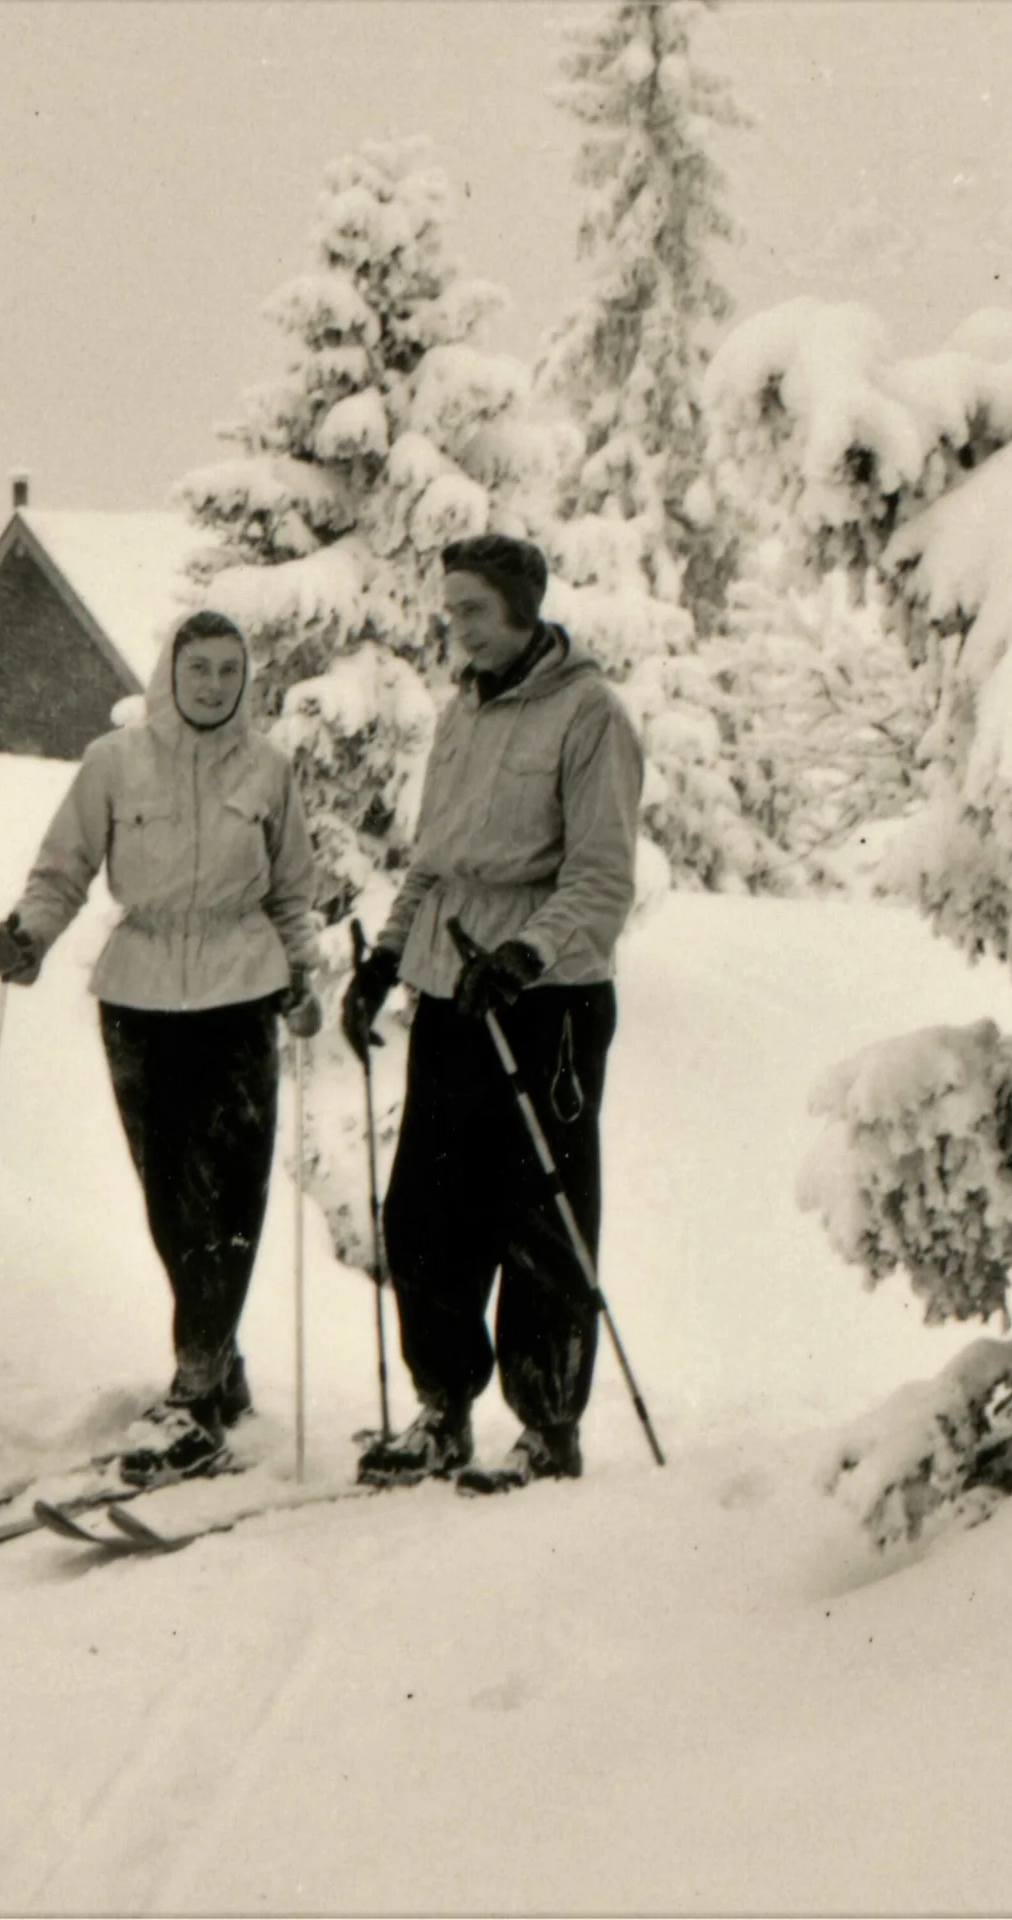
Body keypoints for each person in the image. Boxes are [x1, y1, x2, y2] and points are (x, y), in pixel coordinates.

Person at [0, 609, 322, 1484]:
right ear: (169, 672)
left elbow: (293, 893)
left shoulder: (271, 769)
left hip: (242, 990)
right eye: (197, 668)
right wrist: (29, 934)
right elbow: (62, 868)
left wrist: (303, 979)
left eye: (227, 671)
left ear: (246, 680)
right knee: (173, 1200)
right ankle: (219, 1364)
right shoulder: (115, 763)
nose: (212, 685)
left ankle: (196, 1389)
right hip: (137, 998)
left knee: (235, 1194)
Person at [341, 534, 643, 1493]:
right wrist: (386, 960)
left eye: (471, 608)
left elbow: (600, 880)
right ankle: (443, 1412)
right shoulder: (459, 715)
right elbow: (431, 862)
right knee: (426, 1213)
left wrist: (523, 956)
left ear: (522, 606)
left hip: (545, 1002)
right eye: (449, 608)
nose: (454, 625)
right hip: (448, 990)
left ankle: (548, 1427)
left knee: (538, 1214)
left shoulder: (589, 714)